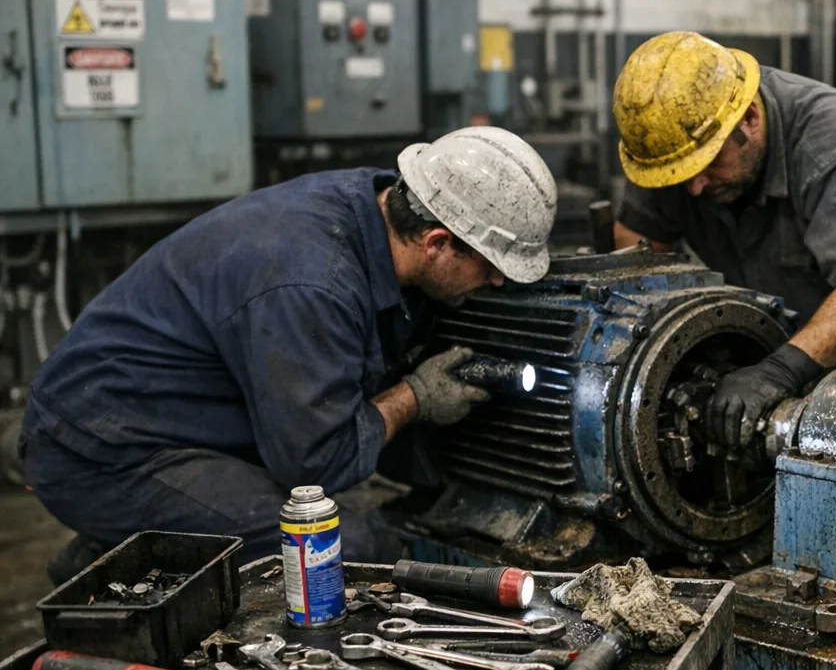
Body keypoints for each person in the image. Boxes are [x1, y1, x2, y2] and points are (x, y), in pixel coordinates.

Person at [22, 127, 557, 583]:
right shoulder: (313, 283)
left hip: (170, 412)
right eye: (490, 263)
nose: (495, 279)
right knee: (352, 550)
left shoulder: (379, 205)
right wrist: (413, 398)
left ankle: (140, 550)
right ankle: (128, 558)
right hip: (102, 448)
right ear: (436, 242)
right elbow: (315, 462)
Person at [611, 31, 836, 448]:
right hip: (782, 358)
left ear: (748, 117)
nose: (694, 189)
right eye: (679, 177)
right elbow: (638, 250)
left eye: (707, 165)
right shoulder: (674, 145)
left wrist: (776, 372)